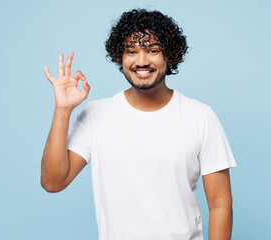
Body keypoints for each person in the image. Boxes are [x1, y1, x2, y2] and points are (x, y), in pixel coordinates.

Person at [41, 9, 236, 240]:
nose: (141, 61)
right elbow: (52, 182)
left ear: (169, 55)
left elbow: (219, 204)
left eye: (153, 50)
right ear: (120, 57)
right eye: (131, 51)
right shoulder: (96, 114)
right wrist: (63, 110)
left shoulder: (201, 117)